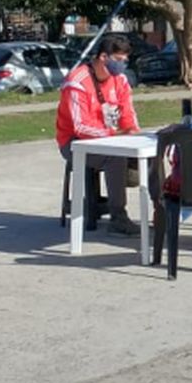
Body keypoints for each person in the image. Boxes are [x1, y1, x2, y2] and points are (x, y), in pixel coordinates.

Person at [55, 34, 140, 235]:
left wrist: (132, 132)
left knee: (151, 156)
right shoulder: (77, 81)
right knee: (115, 158)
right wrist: (114, 133)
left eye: (125, 60)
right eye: (119, 60)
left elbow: (128, 113)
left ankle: (160, 210)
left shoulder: (120, 80)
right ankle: (118, 217)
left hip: (113, 138)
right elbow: (81, 126)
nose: (123, 64)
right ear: (104, 57)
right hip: (75, 143)